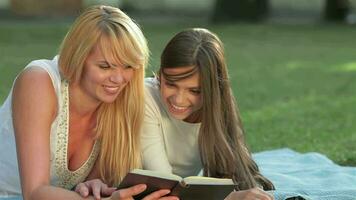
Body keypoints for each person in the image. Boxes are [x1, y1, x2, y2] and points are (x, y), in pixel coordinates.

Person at [0, 5, 177, 200]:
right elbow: (34, 192)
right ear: (78, 58)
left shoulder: (117, 103)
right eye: (105, 66)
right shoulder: (39, 81)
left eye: (128, 66)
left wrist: (94, 186)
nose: (119, 79)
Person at [76, 28, 274, 200]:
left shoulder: (219, 107)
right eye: (171, 84)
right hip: (127, 190)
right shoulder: (145, 97)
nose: (179, 100)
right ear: (160, 74)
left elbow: (242, 169)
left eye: (194, 91)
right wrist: (228, 197)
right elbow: (164, 183)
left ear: (214, 91)